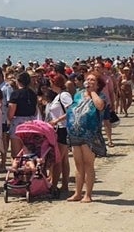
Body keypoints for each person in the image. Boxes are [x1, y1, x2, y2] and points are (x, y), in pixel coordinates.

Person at [66, 72, 106, 203]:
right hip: (75, 134)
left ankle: (88, 194)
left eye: (93, 80)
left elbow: (100, 106)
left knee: (88, 164)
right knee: (78, 164)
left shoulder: (100, 96)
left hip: (90, 135)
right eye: (88, 79)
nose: (89, 81)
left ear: (98, 83)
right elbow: (72, 110)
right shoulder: (78, 95)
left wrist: (92, 92)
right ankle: (77, 193)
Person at [45, 75, 72, 195]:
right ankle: (64, 185)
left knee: (58, 159)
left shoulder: (64, 95)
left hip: (62, 128)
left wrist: (56, 121)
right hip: (60, 128)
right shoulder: (59, 96)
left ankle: (55, 186)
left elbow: (71, 110)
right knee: (64, 159)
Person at [8, 72, 38, 163]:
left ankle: (18, 174)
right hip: (31, 121)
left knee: (17, 153)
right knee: (29, 152)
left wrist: (9, 118)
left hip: (18, 122)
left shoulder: (15, 94)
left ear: (18, 81)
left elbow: (11, 112)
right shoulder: (33, 93)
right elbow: (36, 110)